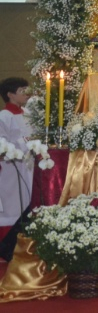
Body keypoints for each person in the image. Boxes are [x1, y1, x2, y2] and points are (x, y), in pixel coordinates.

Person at [0, 78, 34, 255]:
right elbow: (2, 144)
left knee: (28, 201)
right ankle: (8, 247)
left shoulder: (27, 112)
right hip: (12, 167)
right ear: (10, 94)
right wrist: (25, 142)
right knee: (14, 204)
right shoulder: (4, 116)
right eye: (22, 90)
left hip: (29, 165)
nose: (26, 93)